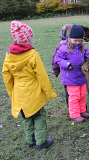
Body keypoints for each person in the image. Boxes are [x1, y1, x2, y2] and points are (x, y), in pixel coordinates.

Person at [2, 21, 57, 150]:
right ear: (27, 39)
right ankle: (41, 142)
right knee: (39, 117)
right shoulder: (33, 55)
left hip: (19, 96)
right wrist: (50, 93)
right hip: (34, 95)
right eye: (30, 37)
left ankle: (30, 140)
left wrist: (12, 96)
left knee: (26, 118)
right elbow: (42, 77)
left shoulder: (8, 57)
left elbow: (7, 80)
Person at [55, 24, 89, 123]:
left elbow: (85, 56)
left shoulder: (82, 47)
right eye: (75, 40)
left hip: (81, 77)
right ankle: (74, 114)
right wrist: (67, 64)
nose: (77, 42)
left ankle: (82, 111)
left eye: (79, 40)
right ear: (70, 38)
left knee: (82, 95)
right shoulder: (64, 48)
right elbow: (57, 59)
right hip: (70, 78)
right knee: (74, 97)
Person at [52, 24, 72, 107]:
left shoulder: (78, 45)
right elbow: (56, 59)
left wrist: (56, 71)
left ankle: (75, 108)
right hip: (68, 74)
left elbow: (54, 59)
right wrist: (56, 71)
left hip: (71, 75)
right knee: (71, 92)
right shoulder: (61, 46)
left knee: (73, 92)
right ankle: (72, 108)